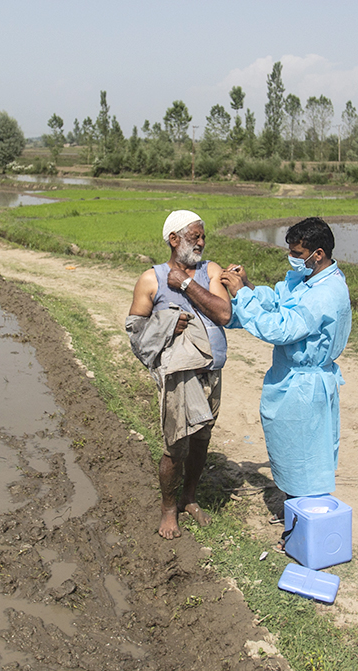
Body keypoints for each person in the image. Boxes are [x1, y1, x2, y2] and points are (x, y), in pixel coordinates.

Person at [220, 217, 352, 545]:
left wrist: (243, 299)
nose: (292, 259)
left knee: (307, 459)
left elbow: (281, 328)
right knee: (291, 453)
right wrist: (248, 290)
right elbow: (279, 300)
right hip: (290, 378)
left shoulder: (326, 294)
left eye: (297, 253)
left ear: (317, 254)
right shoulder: (307, 279)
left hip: (305, 386)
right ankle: (296, 514)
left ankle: (307, 530)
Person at [126, 210, 231, 539]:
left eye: (203, 237)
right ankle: (168, 509)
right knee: (176, 445)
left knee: (202, 439)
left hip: (211, 372)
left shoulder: (209, 271)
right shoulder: (151, 279)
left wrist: (185, 285)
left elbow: (223, 313)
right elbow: (134, 331)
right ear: (173, 240)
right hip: (179, 377)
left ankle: (189, 499)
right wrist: (167, 323)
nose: (201, 242)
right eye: (194, 237)